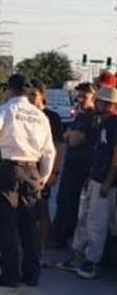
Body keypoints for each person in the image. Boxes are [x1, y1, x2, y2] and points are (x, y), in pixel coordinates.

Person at [0, 74, 56, 287]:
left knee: (7, 223)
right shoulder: (40, 116)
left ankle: (10, 275)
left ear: (10, 90)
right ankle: (31, 274)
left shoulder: (6, 110)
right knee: (29, 225)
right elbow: (49, 151)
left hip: (8, 169)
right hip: (32, 171)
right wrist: (44, 176)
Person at [56, 85, 117, 279]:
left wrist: (108, 180)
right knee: (83, 217)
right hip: (94, 176)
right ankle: (78, 254)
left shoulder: (113, 124)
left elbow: (115, 155)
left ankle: (92, 261)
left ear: (110, 105)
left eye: (102, 101)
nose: (97, 104)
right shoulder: (100, 123)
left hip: (105, 180)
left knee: (97, 222)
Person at [49, 82, 99, 248]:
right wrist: (70, 135)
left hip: (81, 168)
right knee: (64, 203)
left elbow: (75, 139)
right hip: (71, 165)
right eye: (78, 96)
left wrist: (70, 135)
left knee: (72, 206)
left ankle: (64, 238)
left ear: (93, 97)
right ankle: (58, 237)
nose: (80, 99)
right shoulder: (80, 115)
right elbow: (67, 135)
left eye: (84, 96)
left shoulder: (90, 117)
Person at [28, 80, 63, 251]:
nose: (30, 98)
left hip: (44, 171)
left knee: (42, 208)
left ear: (43, 96)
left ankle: (41, 244)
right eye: (28, 94)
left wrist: (54, 172)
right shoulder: (24, 114)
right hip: (25, 168)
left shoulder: (52, 118)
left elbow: (59, 146)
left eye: (34, 94)